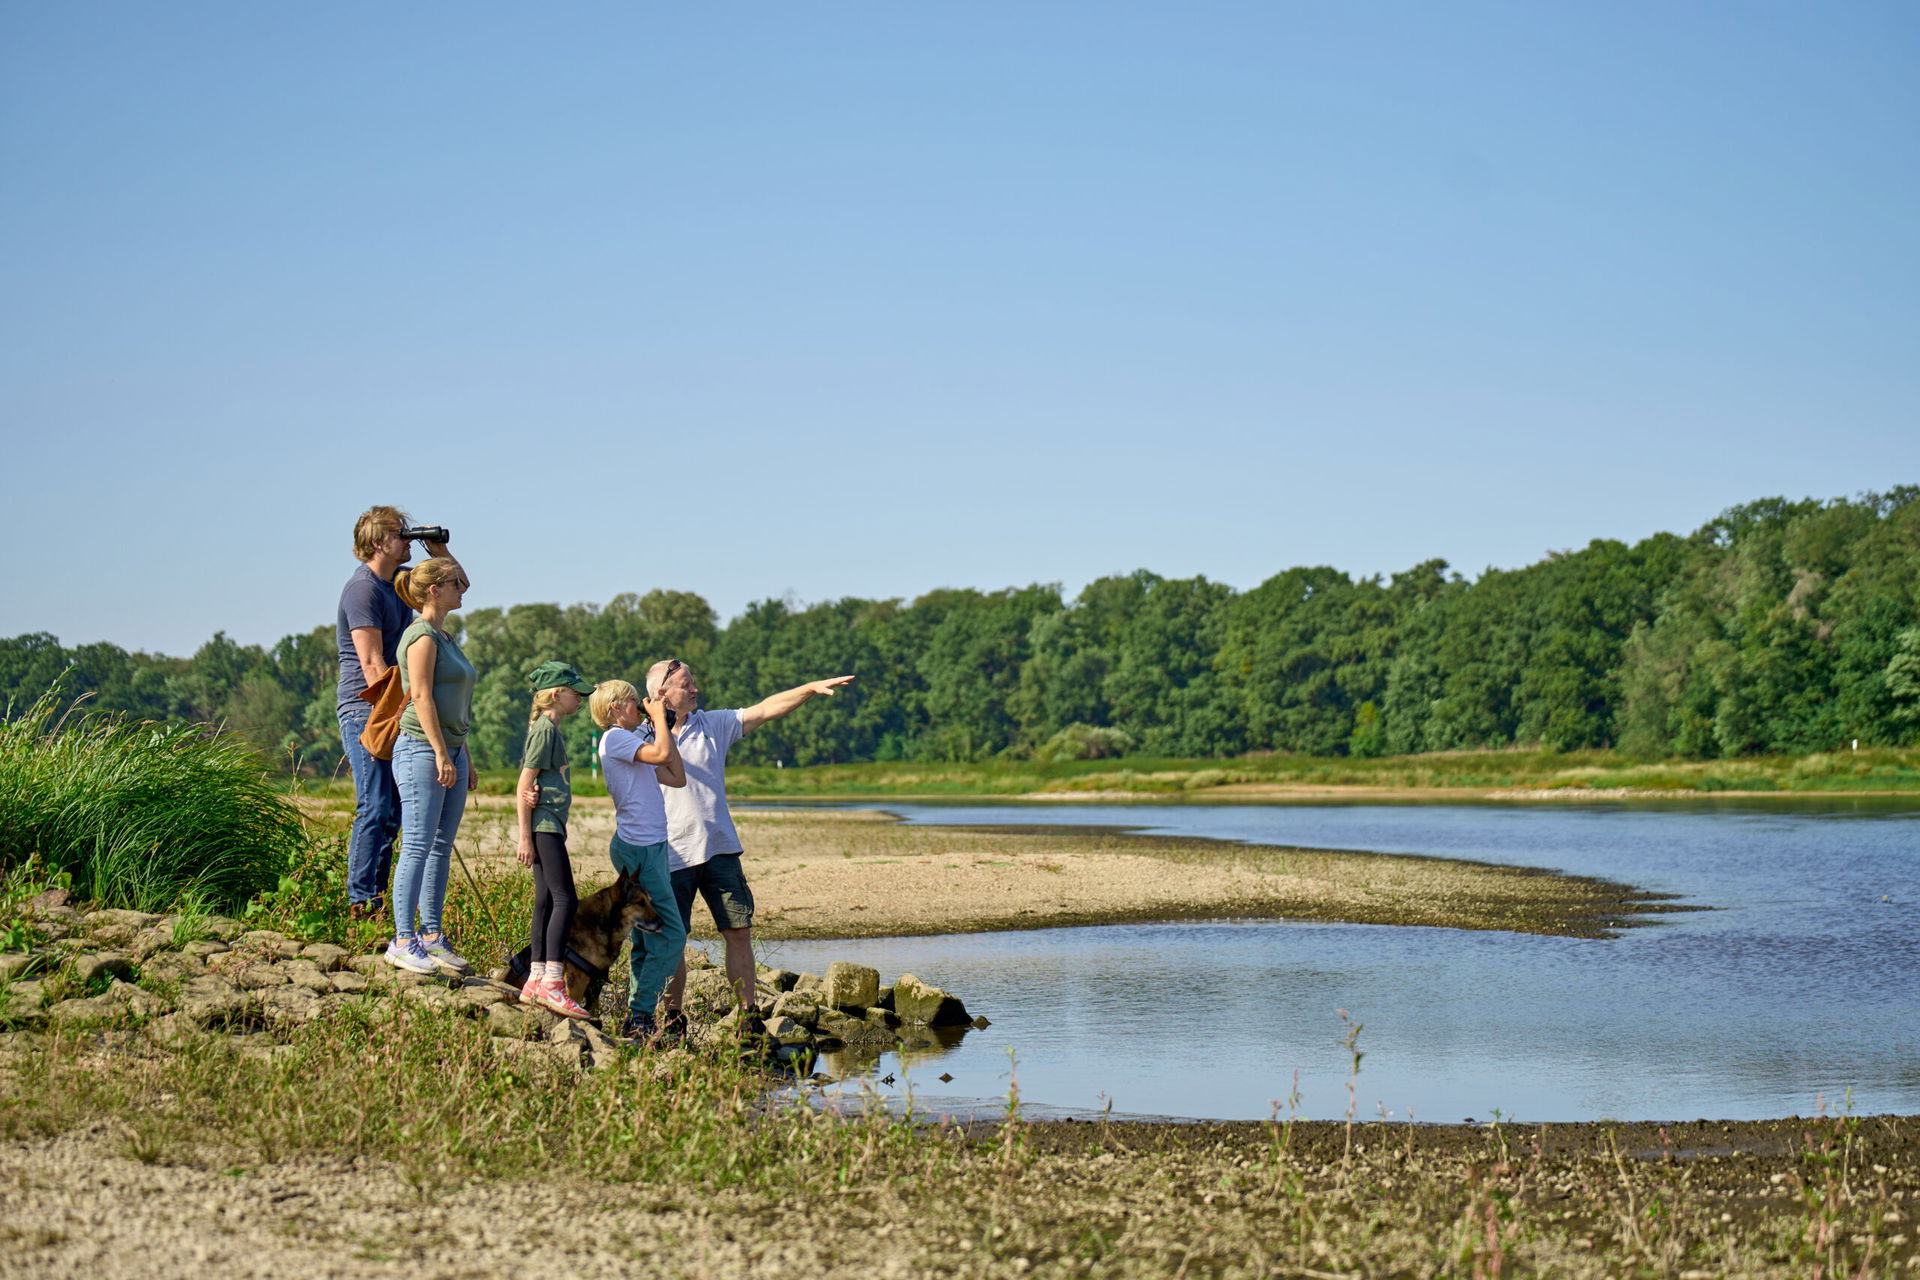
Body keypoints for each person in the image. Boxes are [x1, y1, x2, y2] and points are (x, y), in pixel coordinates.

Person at [648, 660, 853, 1028]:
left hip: (720, 849)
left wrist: (808, 688)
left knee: (738, 931)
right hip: (671, 853)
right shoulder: (642, 736)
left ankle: (748, 1016)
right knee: (672, 940)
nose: (695, 690)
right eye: (686, 684)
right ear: (661, 693)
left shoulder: (713, 724)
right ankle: (671, 1018)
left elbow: (764, 709)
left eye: (694, 682)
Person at [334, 506, 429, 922]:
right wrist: (409, 710)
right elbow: (372, 665)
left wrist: (439, 550)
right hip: (366, 707)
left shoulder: (396, 586)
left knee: (394, 810)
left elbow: (452, 591)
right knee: (375, 804)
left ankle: (377, 903)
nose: (408, 539)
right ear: (378, 542)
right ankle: (361, 903)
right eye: (400, 534)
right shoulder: (364, 590)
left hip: (392, 704)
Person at [385, 557, 478, 975]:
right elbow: (421, 698)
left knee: (440, 846)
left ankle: (431, 937)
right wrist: (441, 752)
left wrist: (463, 754)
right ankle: (402, 941)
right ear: (435, 590)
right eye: (455, 582)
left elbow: (455, 705)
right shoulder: (420, 636)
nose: (464, 587)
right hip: (422, 750)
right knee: (418, 844)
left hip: (451, 749)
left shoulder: (445, 636)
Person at [589, 678, 687, 1041]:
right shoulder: (615, 739)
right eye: (634, 702)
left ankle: (637, 1012)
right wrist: (659, 719)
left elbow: (676, 777)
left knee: (647, 938)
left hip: (651, 847)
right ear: (614, 708)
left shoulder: (633, 743)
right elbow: (661, 756)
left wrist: (663, 725)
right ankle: (641, 1015)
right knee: (673, 934)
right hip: (640, 848)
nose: (640, 706)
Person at [515, 660, 600, 1018]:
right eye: (575, 692)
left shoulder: (548, 729)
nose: (580, 698)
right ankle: (552, 981)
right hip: (545, 826)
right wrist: (525, 838)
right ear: (556, 694)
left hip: (549, 825)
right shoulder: (545, 731)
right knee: (566, 899)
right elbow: (523, 784)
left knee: (546, 900)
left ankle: (534, 979)